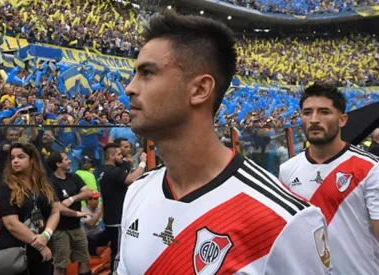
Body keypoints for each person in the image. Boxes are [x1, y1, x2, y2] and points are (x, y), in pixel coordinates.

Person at [117, 11, 329, 275]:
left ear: (200, 89)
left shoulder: (286, 220)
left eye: (147, 73)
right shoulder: (138, 192)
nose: (129, 88)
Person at [279, 83, 379, 274]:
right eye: (307, 112)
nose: (314, 119)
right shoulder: (287, 170)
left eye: (324, 112)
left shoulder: (372, 169)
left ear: (342, 120)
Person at [0, 142, 60, 275]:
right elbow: (11, 223)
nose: (15, 161)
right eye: (12, 158)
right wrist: (39, 245)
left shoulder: (45, 183)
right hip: (15, 251)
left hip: (44, 246)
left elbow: (55, 211)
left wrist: (46, 235)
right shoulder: (6, 186)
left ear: (32, 160)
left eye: (20, 157)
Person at [99, 143, 146, 273]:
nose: (122, 156)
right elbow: (131, 179)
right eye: (119, 154)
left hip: (113, 217)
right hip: (116, 219)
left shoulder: (105, 171)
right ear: (112, 155)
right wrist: (142, 163)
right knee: (118, 252)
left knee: (119, 250)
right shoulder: (111, 171)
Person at [48, 151, 93, 275]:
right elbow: (58, 208)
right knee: (60, 264)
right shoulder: (50, 182)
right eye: (66, 159)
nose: (70, 161)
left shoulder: (73, 177)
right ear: (58, 163)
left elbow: (88, 192)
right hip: (60, 229)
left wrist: (71, 199)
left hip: (77, 227)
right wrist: (76, 214)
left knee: (84, 260)